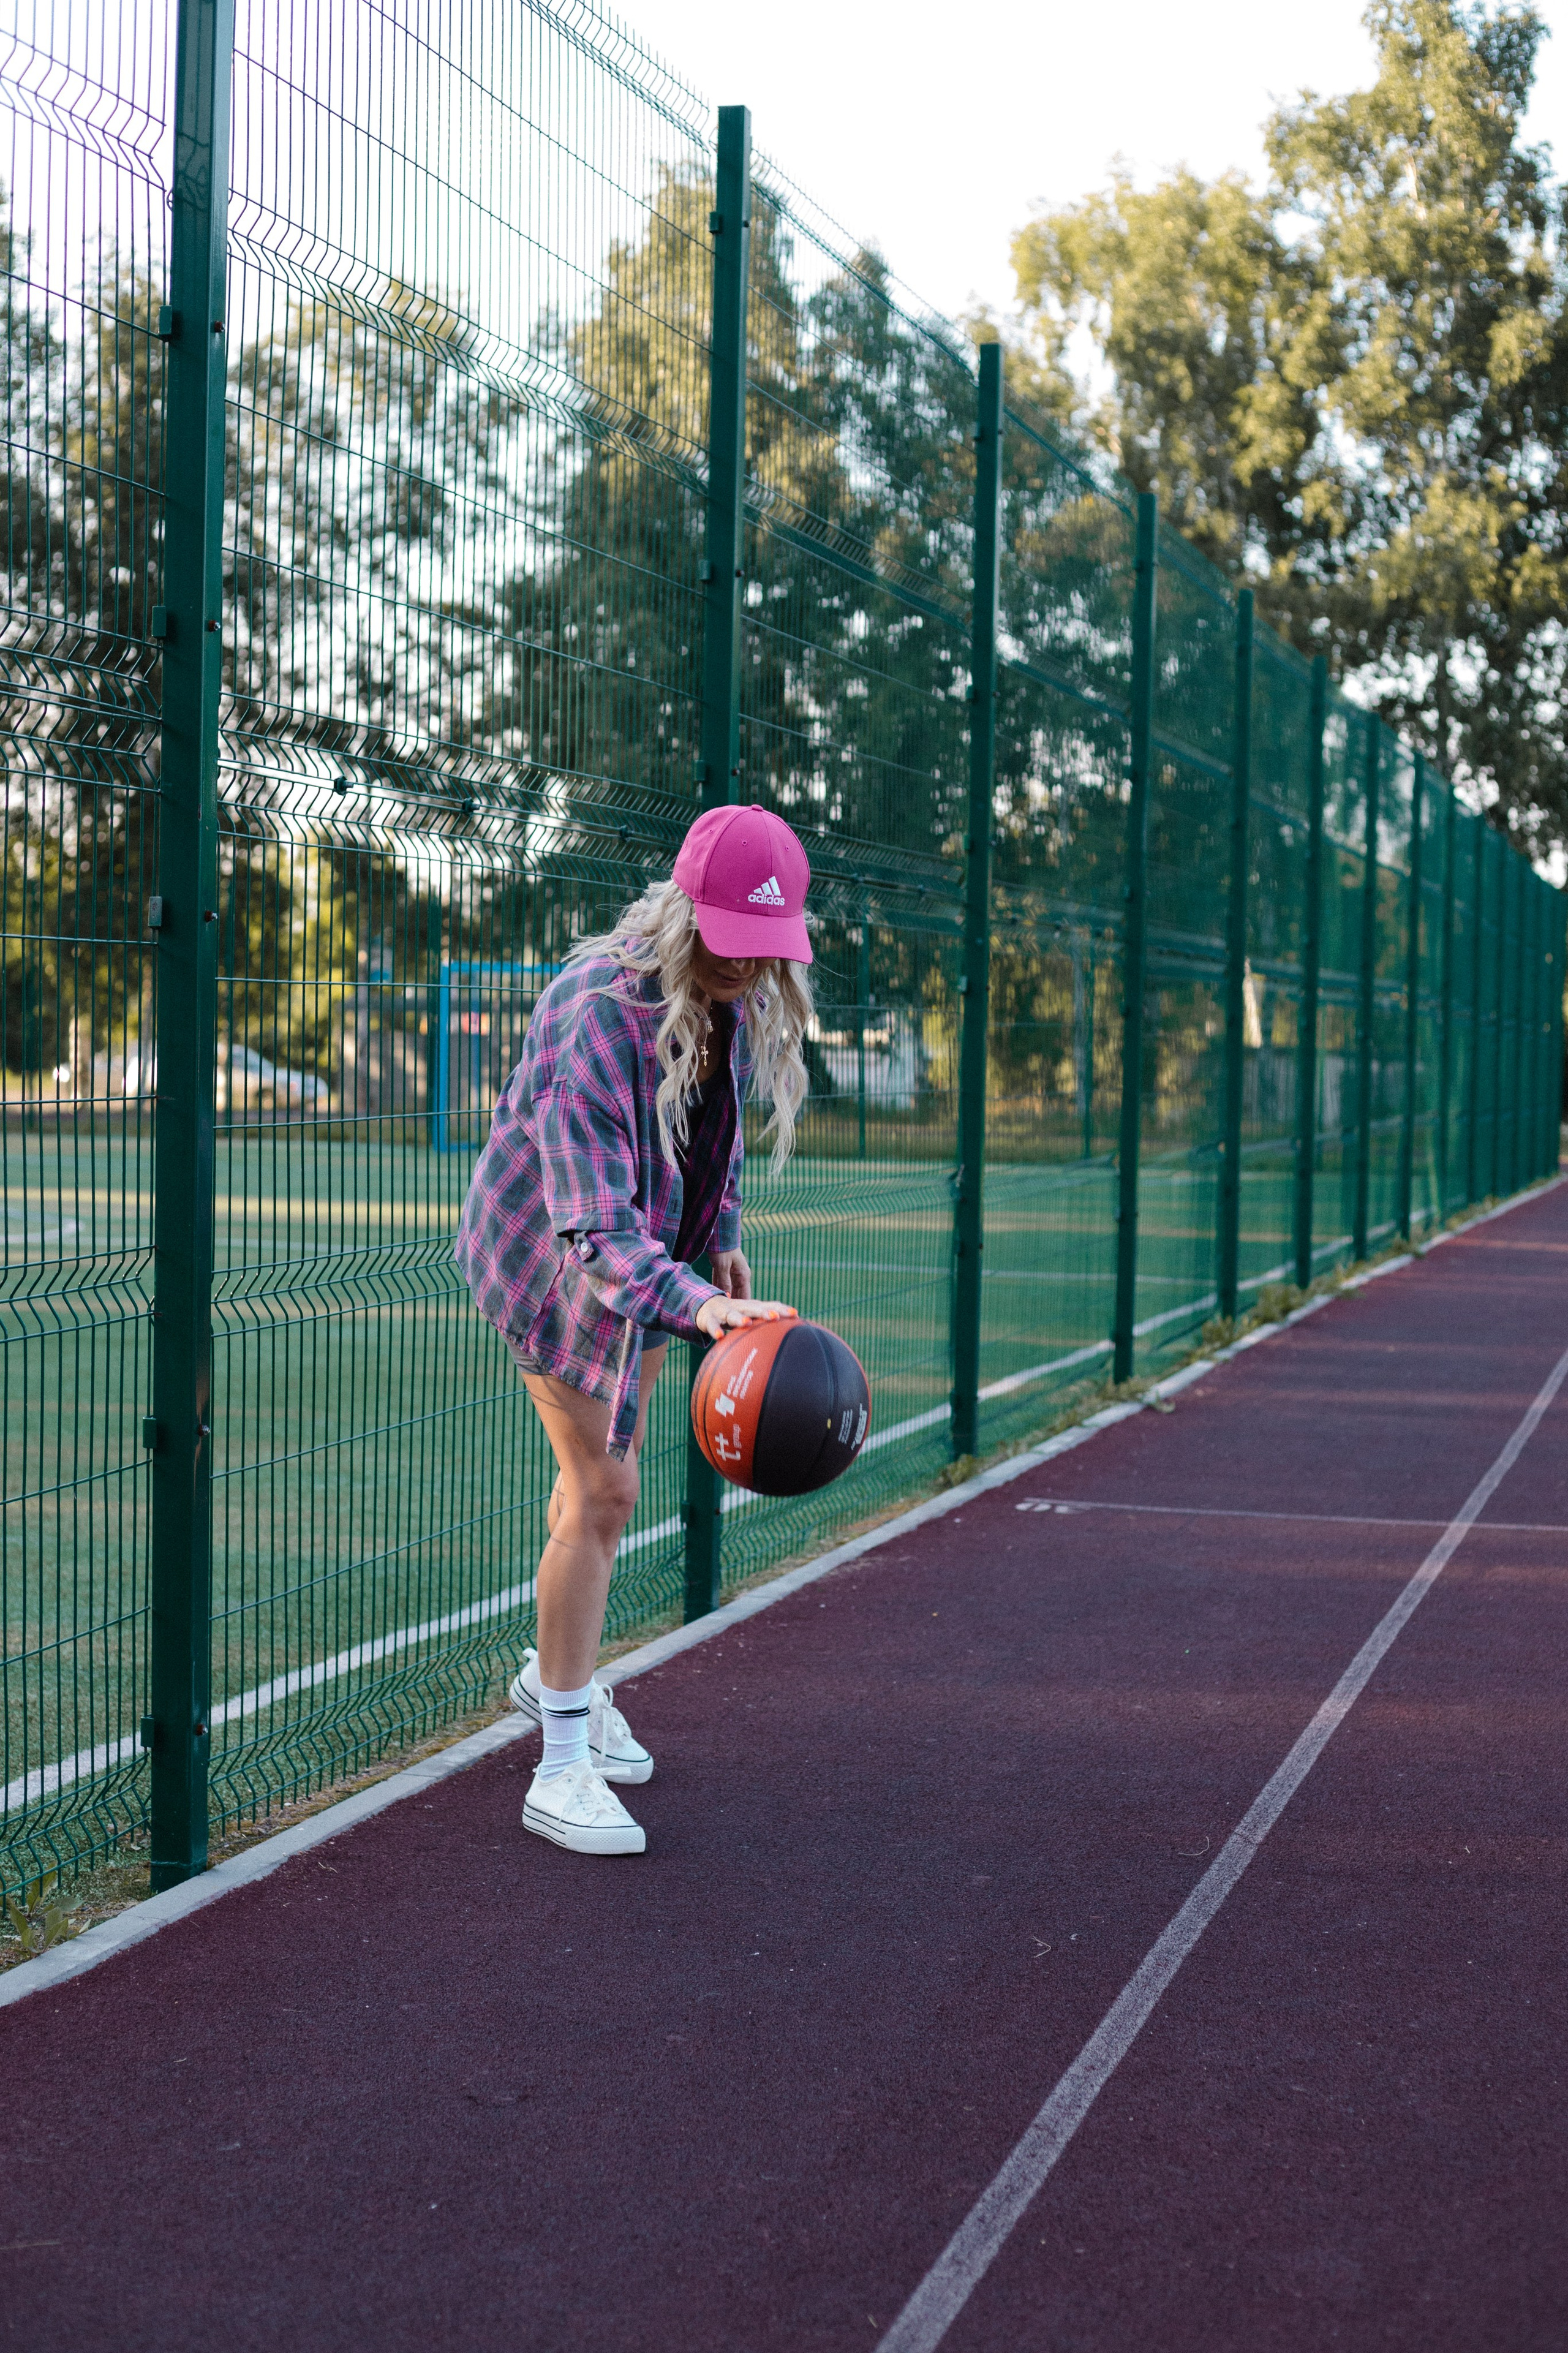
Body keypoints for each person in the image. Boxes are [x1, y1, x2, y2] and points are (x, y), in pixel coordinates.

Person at [456, 803, 814, 1856]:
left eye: (766, 946)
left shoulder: (725, 989)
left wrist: (723, 1236)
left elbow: (718, 1124)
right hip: (550, 1260)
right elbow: (590, 1226)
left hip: (649, 1255)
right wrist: (699, 1302)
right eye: (731, 941)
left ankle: (551, 1678)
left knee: (603, 1490)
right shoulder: (597, 1012)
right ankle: (559, 1763)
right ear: (682, 912)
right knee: (604, 1491)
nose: (748, 964)